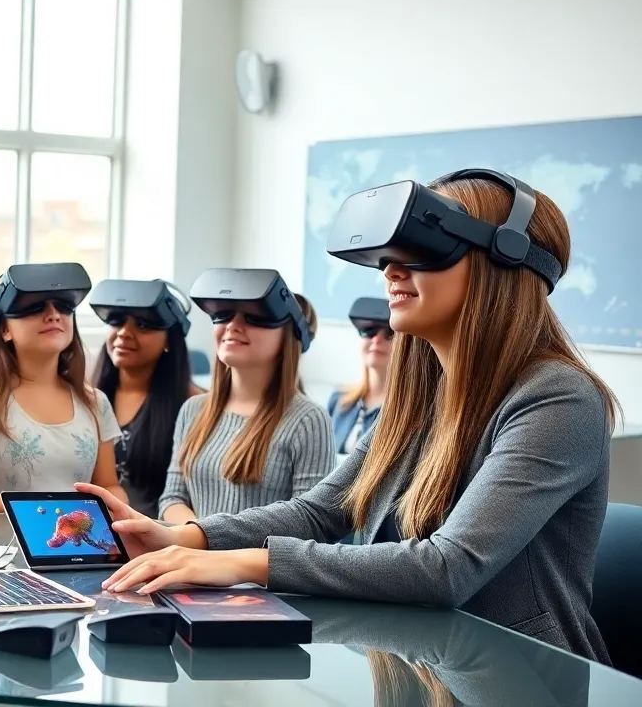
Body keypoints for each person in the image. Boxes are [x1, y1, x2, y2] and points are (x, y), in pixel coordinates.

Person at [84, 170, 617, 662]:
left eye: (424, 250)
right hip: (413, 656)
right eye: (389, 255)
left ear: (505, 262)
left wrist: (240, 564)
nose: (391, 269)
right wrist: (185, 538)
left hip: (518, 673)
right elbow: (320, 512)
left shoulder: (559, 399)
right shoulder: (422, 398)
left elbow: (447, 569)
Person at [0, 263, 126, 516]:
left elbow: (109, 486)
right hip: (3, 551)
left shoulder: (96, 402)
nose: (53, 315)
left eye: (64, 306)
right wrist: (39, 513)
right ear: (4, 328)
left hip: (80, 547)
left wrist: (115, 509)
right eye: (35, 307)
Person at [157, 269, 332, 523]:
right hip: (190, 558)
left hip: (252, 563)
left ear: (288, 335)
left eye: (254, 317)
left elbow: (309, 526)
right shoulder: (193, 410)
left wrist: (207, 542)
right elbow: (172, 499)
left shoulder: (308, 421)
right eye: (223, 315)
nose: (233, 326)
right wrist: (198, 541)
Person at [89, 279, 201, 518]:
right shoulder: (86, 397)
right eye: (117, 321)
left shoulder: (195, 405)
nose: (124, 333)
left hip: (160, 538)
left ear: (170, 340)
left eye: (142, 325)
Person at [327, 297, 392, 464]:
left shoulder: (406, 411)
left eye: (389, 333)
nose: (376, 340)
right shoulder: (339, 399)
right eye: (368, 330)